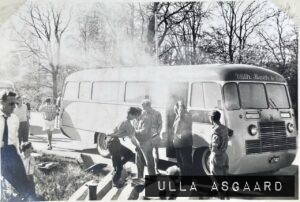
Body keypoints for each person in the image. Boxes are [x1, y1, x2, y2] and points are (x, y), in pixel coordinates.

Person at [0, 90, 35, 199]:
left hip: (11, 151)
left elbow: (15, 138)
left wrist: (19, 154)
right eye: (11, 103)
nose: (14, 107)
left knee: (23, 180)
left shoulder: (15, 118)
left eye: (15, 103)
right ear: (1, 102)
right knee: (5, 180)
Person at [106, 107, 141, 187]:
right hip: (114, 143)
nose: (135, 117)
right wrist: (138, 146)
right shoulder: (127, 123)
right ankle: (115, 182)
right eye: (134, 115)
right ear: (130, 114)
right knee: (120, 167)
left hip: (112, 141)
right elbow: (132, 139)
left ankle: (116, 167)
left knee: (129, 154)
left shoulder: (122, 120)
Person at [135, 101, 156, 179]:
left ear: (138, 114)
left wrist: (133, 131)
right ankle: (139, 179)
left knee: (149, 163)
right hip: (139, 143)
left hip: (146, 143)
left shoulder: (146, 119)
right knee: (138, 162)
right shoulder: (139, 120)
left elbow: (144, 131)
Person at [141, 99, 162, 174]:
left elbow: (160, 124)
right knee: (148, 153)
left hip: (154, 135)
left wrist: (157, 133)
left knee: (156, 151)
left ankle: (156, 168)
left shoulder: (157, 113)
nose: (143, 109)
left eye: (144, 107)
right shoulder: (143, 113)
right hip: (146, 136)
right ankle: (150, 169)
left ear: (148, 106)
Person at [172, 101, 193, 176]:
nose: (175, 110)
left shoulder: (185, 116)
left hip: (184, 143)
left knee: (185, 163)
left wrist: (180, 115)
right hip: (180, 143)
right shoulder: (179, 116)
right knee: (181, 162)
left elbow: (178, 128)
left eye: (176, 108)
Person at [209, 110, 229, 175]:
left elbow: (215, 145)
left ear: (211, 118)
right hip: (224, 155)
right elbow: (230, 133)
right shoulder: (224, 128)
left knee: (216, 178)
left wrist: (212, 155)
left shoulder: (216, 130)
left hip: (217, 156)